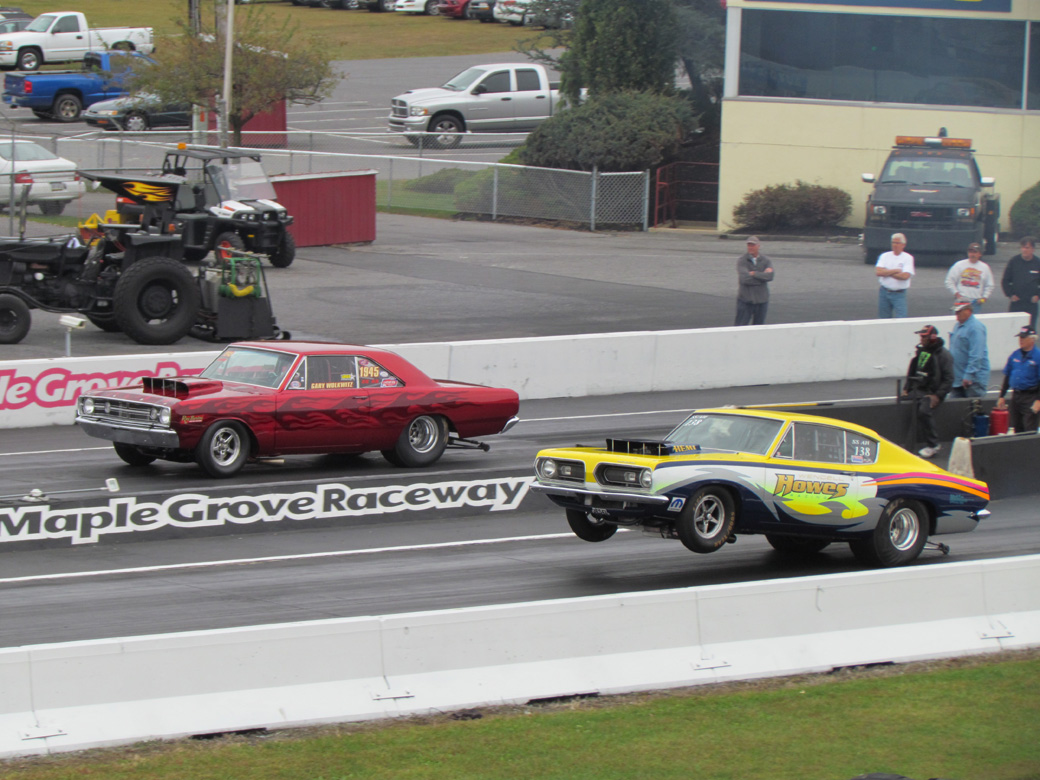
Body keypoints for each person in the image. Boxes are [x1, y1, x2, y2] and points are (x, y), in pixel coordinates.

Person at [901, 324, 953, 458]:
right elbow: (913, 371)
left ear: (932, 337)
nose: (921, 339)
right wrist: (907, 388)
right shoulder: (922, 352)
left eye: (924, 336)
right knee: (903, 404)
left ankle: (933, 444)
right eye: (921, 336)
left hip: (933, 392)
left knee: (924, 411)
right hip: (919, 389)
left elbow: (949, 379)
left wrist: (937, 395)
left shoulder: (944, 355)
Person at [995, 326, 1040, 433]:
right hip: (1016, 396)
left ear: (1032, 339)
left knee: (1029, 428)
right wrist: (1002, 396)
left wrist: (1038, 400)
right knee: (1016, 427)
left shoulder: (1038, 357)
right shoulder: (1015, 355)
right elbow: (1008, 376)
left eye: (1024, 337)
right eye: (1020, 337)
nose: (1021, 340)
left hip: (1030, 396)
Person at [948, 298, 989, 398]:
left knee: (973, 410)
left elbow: (977, 355)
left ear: (968, 311)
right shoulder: (958, 326)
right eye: (956, 311)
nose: (956, 314)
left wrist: (968, 375)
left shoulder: (975, 328)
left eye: (959, 311)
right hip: (958, 379)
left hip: (972, 382)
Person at [1001, 236, 1040, 331]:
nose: (1024, 250)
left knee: (1029, 331)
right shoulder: (1014, 261)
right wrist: (1010, 294)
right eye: (1022, 247)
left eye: (1027, 247)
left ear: (1033, 249)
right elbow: (1005, 280)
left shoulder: (1037, 263)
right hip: (1016, 303)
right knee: (1014, 329)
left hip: (1031, 304)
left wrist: (1038, 295)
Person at [734, 235, 774, 326]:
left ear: (758, 246)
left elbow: (770, 276)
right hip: (745, 301)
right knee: (740, 327)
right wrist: (762, 278)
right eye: (749, 245)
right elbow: (745, 279)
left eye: (753, 245)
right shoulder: (742, 260)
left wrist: (754, 274)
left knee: (759, 329)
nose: (750, 247)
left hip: (762, 300)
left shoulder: (766, 260)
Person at [944, 242, 995, 312]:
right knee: (960, 321)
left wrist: (984, 298)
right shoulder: (959, 265)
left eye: (975, 252)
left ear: (980, 254)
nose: (972, 254)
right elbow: (949, 281)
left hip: (976, 303)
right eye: (970, 252)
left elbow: (990, 285)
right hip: (961, 301)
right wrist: (957, 294)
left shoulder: (985, 267)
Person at [876, 233, 914, 318]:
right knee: (883, 319)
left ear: (903, 245)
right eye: (893, 242)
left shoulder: (908, 258)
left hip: (899, 294)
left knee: (901, 317)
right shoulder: (884, 256)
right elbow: (878, 272)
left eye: (897, 243)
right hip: (884, 292)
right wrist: (895, 271)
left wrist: (886, 272)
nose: (894, 245)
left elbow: (905, 276)